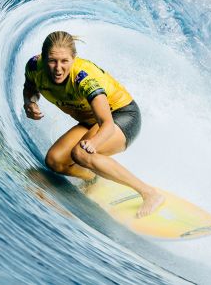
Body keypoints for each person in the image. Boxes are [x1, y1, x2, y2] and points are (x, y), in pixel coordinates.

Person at [22, 31, 165, 218]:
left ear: (74, 59)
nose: (58, 68)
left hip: (121, 117)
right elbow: (30, 88)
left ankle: (149, 193)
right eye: (52, 61)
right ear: (43, 58)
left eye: (64, 61)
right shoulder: (34, 66)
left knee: (80, 153)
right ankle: (94, 179)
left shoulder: (84, 79)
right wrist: (30, 102)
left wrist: (93, 145)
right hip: (91, 122)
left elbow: (106, 124)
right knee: (55, 161)